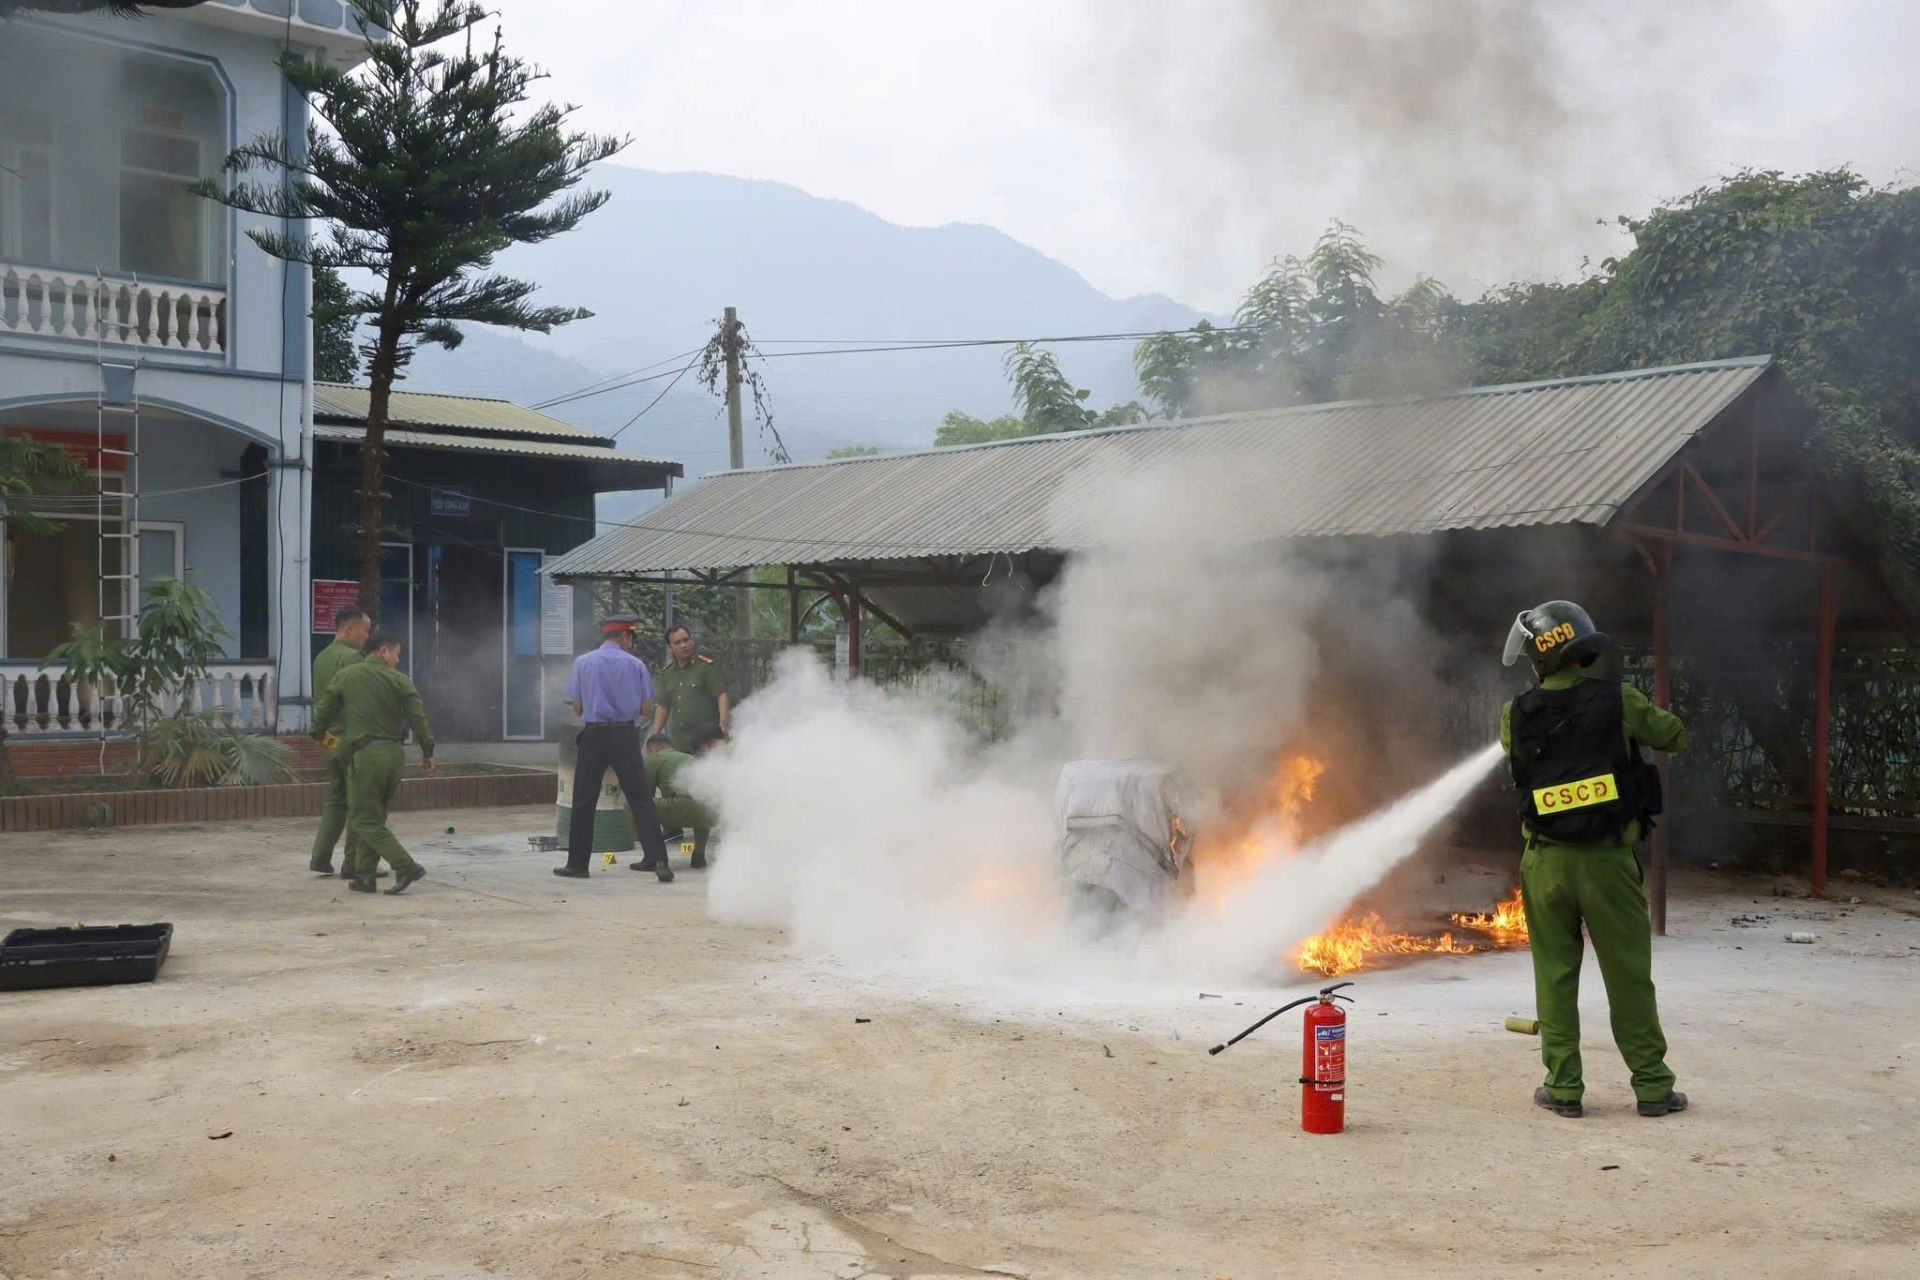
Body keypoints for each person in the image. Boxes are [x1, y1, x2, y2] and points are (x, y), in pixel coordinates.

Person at [1501, 599, 1688, 1119]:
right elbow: (1673, 735)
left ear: (1538, 661)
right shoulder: (1619, 701)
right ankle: (1652, 1088)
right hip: (1606, 863)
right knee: (1628, 974)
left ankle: (1563, 1089)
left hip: (1545, 864)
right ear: (1582, 652)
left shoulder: (1514, 714)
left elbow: (1516, 760)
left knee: (1555, 976)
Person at [312, 631, 436, 896]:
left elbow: (322, 713)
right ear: (383, 651)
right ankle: (365, 876)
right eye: (397, 654)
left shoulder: (347, 676)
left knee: (363, 819)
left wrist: (323, 738)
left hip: (366, 756)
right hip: (394, 756)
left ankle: (405, 866)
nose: (397, 661)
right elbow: (419, 719)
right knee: (375, 816)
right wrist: (428, 752)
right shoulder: (401, 681)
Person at [559, 614, 674, 882]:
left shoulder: (583, 662)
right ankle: (658, 861)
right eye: (631, 637)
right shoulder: (636, 665)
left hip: (594, 736)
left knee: (584, 800)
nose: (631, 642)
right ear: (624, 636)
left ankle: (577, 865)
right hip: (625, 736)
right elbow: (645, 708)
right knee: (640, 799)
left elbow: (577, 707)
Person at [308, 606, 375, 877]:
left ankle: (320, 858)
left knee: (337, 798)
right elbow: (361, 703)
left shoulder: (321, 657)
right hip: (351, 740)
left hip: (329, 741)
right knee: (361, 801)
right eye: (365, 630)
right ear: (349, 628)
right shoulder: (352, 659)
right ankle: (355, 864)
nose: (367, 636)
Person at [634, 730, 720, 872]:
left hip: (681, 809)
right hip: (710, 816)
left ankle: (650, 855)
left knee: (637, 804)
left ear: (653, 749)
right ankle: (699, 855)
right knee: (703, 802)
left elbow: (644, 797)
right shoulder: (691, 758)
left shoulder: (654, 759)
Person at [651, 623, 730, 752]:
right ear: (670, 647)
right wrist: (655, 735)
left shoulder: (706, 667)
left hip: (705, 742)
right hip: (679, 742)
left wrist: (723, 725)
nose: (683, 645)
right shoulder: (667, 673)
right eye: (677, 642)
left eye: (686, 640)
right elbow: (663, 706)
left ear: (691, 641)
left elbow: (721, 695)